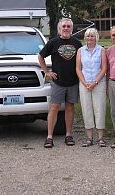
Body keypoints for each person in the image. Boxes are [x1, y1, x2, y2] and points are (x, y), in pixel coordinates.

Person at [38, 18, 82, 148]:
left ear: (72, 28)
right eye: (64, 26)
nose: (66, 28)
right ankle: (49, 137)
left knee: (70, 108)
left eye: (68, 26)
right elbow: (40, 56)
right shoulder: (53, 42)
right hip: (58, 81)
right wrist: (47, 72)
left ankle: (68, 135)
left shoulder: (77, 43)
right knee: (54, 107)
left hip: (73, 81)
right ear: (59, 28)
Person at [76, 28, 107, 147]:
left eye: (92, 36)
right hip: (84, 83)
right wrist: (84, 83)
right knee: (86, 109)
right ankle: (89, 138)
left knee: (100, 108)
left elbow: (104, 68)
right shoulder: (80, 51)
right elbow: (78, 68)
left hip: (98, 83)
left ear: (96, 37)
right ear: (85, 38)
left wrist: (95, 82)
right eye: (88, 36)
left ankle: (101, 138)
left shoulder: (101, 50)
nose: (90, 38)